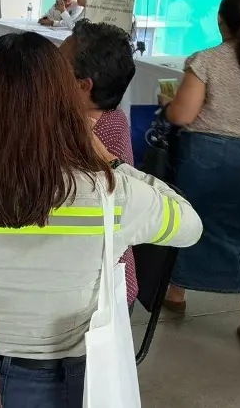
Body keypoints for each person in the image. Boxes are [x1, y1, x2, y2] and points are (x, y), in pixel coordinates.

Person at [0, 32, 203, 406]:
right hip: (65, 377)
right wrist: (112, 163)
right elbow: (190, 225)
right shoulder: (110, 194)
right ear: (63, 100)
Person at [161, 0, 240, 341]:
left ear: (220, 21)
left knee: (188, 223)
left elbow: (182, 115)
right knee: (239, 230)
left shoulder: (206, 60)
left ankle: (177, 294)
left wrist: (166, 103)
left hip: (207, 157)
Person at [70, 19, 140, 307]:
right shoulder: (87, 119)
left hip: (98, 296)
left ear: (84, 86)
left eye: (57, 65)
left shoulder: (100, 132)